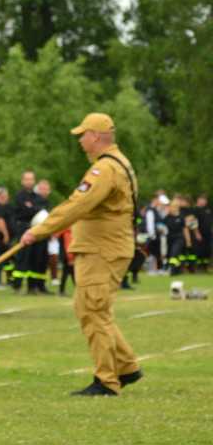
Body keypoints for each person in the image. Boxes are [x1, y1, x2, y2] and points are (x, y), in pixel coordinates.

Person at [21, 112, 142, 396]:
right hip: (107, 248)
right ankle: (126, 366)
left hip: (102, 250)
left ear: (96, 137)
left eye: (83, 135)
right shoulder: (117, 163)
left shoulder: (105, 169)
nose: (80, 141)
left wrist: (39, 230)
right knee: (93, 309)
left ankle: (106, 381)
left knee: (93, 311)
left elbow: (78, 204)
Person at [12, 171, 45, 294]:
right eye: (26, 179)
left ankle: (32, 287)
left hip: (35, 229)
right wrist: (32, 209)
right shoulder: (19, 196)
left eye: (31, 179)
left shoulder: (37, 197)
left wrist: (32, 208)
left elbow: (40, 209)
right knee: (22, 258)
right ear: (22, 181)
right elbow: (26, 211)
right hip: (23, 229)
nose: (29, 181)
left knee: (34, 258)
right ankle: (17, 285)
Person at [194, 194, 211, 272]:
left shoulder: (208, 210)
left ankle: (205, 267)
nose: (204, 201)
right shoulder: (195, 210)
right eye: (202, 199)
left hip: (208, 234)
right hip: (199, 233)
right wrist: (197, 233)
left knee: (207, 250)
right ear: (198, 200)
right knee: (199, 250)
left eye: (205, 200)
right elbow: (193, 223)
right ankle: (198, 267)